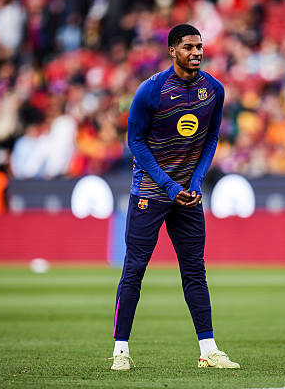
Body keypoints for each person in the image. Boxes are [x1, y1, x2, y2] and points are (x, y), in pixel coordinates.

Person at [110, 24, 240, 370]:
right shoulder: (151, 90)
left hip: (188, 196)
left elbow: (211, 138)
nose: (196, 52)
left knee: (195, 271)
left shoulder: (214, 90)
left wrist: (196, 182)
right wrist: (169, 186)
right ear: (172, 51)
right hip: (150, 193)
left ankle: (209, 350)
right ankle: (120, 351)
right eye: (188, 47)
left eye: (199, 46)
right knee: (134, 270)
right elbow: (135, 142)